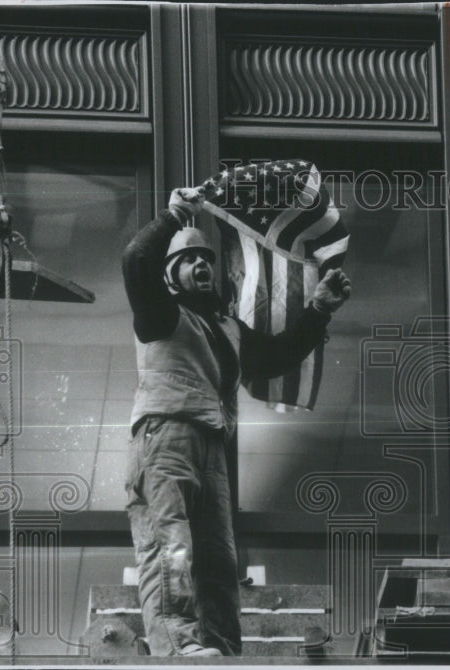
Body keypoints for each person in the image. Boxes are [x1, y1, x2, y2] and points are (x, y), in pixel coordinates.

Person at [121, 187, 351, 657]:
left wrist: (318, 309)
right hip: (166, 437)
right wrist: (173, 217)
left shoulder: (226, 327)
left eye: (205, 258)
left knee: (219, 559)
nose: (201, 264)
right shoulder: (161, 314)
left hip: (210, 445)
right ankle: (177, 645)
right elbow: (135, 260)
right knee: (172, 545)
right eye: (188, 260)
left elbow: (275, 356)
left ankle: (223, 651)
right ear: (169, 276)